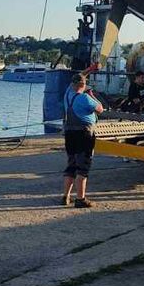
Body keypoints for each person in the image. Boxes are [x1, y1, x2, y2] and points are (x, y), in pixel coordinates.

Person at [62, 72, 104, 208]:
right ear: (84, 85)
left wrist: (88, 70)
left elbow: (75, 81)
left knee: (71, 165)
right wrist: (92, 95)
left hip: (69, 133)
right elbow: (100, 109)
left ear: (72, 84)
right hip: (84, 134)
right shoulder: (85, 98)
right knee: (83, 167)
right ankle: (80, 199)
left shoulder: (67, 95)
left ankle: (66, 196)